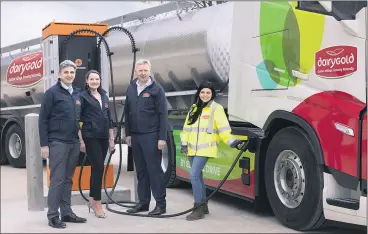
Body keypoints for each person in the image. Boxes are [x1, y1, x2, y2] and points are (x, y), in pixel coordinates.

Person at [180, 81, 242, 221]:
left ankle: (198, 208)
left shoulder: (216, 108)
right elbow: (186, 128)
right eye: (202, 92)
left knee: (194, 175)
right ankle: (204, 205)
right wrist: (184, 143)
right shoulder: (194, 108)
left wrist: (232, 141)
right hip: (191, 149)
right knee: (199, 176)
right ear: (199, 93)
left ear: (212, 94)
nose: (205, 95)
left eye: (208, 92)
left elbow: (223, 128)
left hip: (205, 149)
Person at [39, 60, 87, 229]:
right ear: (59, 74)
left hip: (73, 141)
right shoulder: (52, 93)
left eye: (72, 73)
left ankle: (66, 212)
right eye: (66, 72)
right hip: (57, 141)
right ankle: (53, 215)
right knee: (57, 179)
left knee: (68, 179)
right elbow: (43, 119)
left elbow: (79, 119)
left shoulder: (77, 94)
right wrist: (44, 145)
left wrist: (81, 140)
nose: (69, 75)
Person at [124, 59, 168, 215]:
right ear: (136, 72)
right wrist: (127, 133)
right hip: (135, 136)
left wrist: (162, 138)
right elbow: (127, 113)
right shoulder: (131, 88)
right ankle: (143, 202)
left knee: (154, 171)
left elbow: (163, 115)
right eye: (140, 70)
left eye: (145, 70)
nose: (142, 73)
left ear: (150, 71)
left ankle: (160, 205)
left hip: (151, 135)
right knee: (141, 171)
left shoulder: (157, 89)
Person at [78, 70, 115, 219]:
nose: (95, 81)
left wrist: (111, 139)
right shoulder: (82, 97)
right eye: (92, 79)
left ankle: (92, 200)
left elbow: (109, 119)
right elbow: (78, 120)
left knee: (96, 168)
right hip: (90, 136)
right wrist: (81, 140)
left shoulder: (104, 96)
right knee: (99, 167)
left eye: (97, 79)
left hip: (103, 137)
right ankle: (98, 203)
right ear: (87, 81)